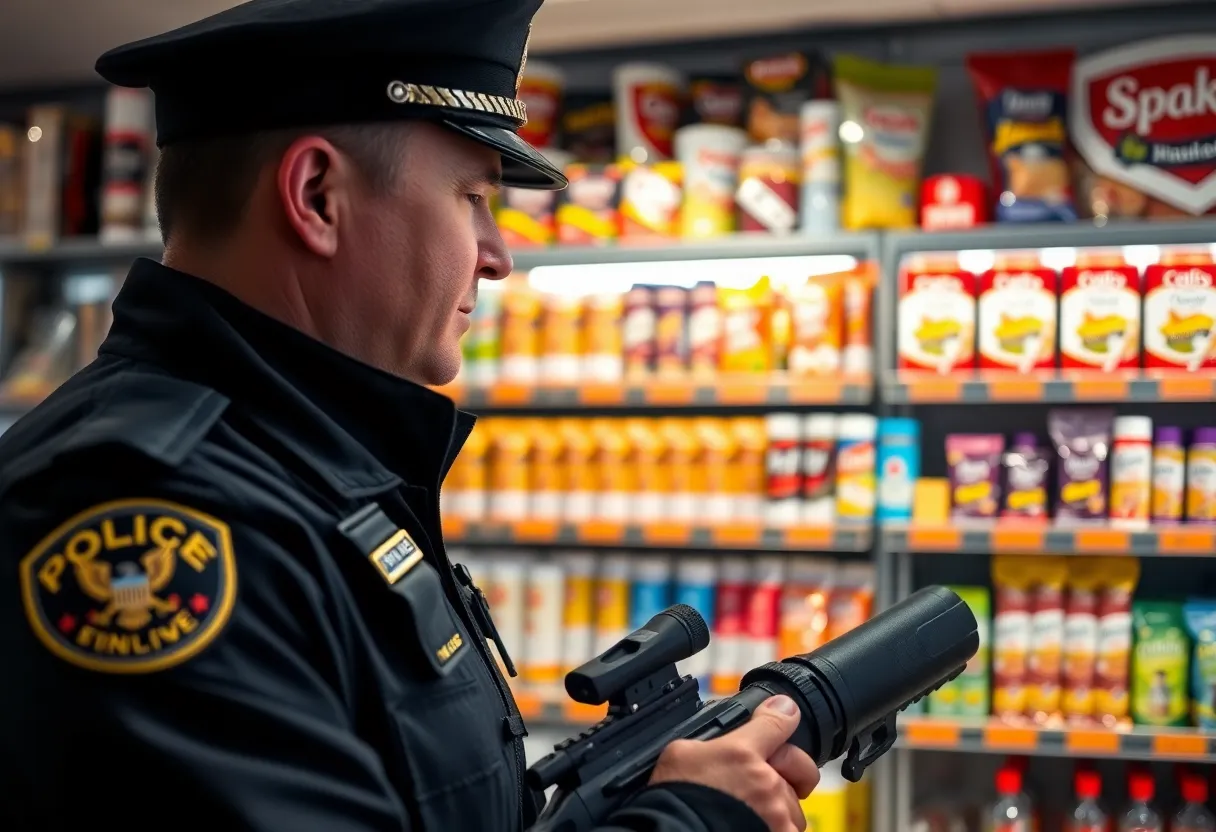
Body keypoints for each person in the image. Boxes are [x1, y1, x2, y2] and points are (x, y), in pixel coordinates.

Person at [0, 0, 821, 830]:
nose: (498, 256)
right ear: (316, 196)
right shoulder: (147, 516)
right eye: (471, 197)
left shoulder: (301, 467)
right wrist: (687, 822)